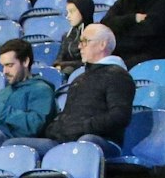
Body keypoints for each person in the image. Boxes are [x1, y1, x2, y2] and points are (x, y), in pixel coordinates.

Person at [10, 25, 134, 154]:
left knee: (85, 142)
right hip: (66, 140)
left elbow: (119, 116)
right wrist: (54, 129)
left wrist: (83, 127)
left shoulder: (118, 75)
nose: (79, 46)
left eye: (85, 41)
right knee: (12, 145)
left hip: (100, 141)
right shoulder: (79, 78)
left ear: (102, 45)